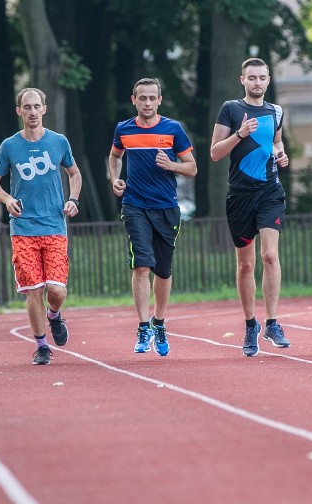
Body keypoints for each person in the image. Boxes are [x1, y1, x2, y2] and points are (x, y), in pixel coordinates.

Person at [0, 87, 82, 365]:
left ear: (44, 109)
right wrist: (6, 198)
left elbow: (74, 173)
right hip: (23, 228)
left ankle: (54, 315)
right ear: (19, 111)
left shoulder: (59, 142)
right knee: (33, 290)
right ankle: (41, 346)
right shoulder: (10, 146)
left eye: (36, 106)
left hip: (54, 225)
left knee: (57, 290)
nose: (32, 112)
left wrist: (73, 199)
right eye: (26, 107)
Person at [109, 78, 198, 356]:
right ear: (133, 99)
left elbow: (192, 168)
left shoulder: (173, 129)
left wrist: (170, 164)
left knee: (163, 271)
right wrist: (115, 178)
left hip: (166, 207)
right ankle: (143, 325)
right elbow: (115, 156)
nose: (147, 103)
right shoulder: (124, 129)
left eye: (152, 98)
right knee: (141, 266)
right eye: (142, 98)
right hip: (135, 205)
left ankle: (159, 322)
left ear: (159, 100)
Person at [210, 57, 291, 357]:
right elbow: (215, 153)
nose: (257, 82)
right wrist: (239, 134)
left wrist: (281, 155)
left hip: (270, 192)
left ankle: (272, 322)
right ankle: (250, 325)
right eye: (251, 77)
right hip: (240, 195)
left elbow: (277, 143)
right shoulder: (231, 109)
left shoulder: (276, 111)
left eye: (261, 77)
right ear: (242, 80)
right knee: (246, 264)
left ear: (268, 80)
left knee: (270, 255)